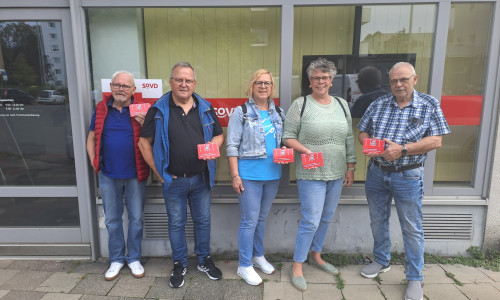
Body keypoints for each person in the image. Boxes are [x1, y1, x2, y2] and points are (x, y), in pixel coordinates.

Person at [357, 62, 450, 300]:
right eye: (394, 81)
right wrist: (368, 145)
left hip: (408, 174)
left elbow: (436, 141)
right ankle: (381, 260)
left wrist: (404, 149)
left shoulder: (429, 104)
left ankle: (415, 279)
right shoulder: (378, 103)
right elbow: (363, 130)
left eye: (403, 80)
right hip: (377, 172)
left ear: (414, 79)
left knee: (411, 227)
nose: (398, 85)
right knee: (377, 220)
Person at [138, 62, 224, 288]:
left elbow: (218, 135)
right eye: (179, 79)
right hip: (173, 180)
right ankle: (179, 263)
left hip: (201, 178)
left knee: (203, 221)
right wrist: (160, 173)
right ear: (171, 82)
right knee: (176, 223)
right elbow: (143, 143)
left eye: (188, 80)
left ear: (194, 83)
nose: (184, 84)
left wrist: (212, 149)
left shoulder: (205, 107)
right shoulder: (157, 110)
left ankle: (204, 259)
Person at [283, 58, 357, 291]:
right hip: (311, 170)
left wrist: (351, 167)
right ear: (310, 80)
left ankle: (317, 255)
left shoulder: (342, 105)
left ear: (332, 80)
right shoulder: (300, 104)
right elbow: (288, 136)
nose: (320, 81)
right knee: (311, 219)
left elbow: (348, 138)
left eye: (325, 77)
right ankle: (297, 264)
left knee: (326, 217)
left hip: (336, 171)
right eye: (316, 77)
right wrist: (306, 150)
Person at [86, 70, 150, 281]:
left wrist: (145, 125)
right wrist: (95, 163)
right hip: (108, 174)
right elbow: (92, 138)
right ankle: (116, 259)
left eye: (125, 86)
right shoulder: (102, 108)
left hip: (135, 174)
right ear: (111, 87)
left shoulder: (142, 110)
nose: (121, 89)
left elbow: (155, 140)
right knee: (112, 219)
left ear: (133, 89)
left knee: (136, 219)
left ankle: (133, 258)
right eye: (117, 85)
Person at [226, 69, 288, 286]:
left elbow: (283, 143)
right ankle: (244, 265)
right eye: (259, 82)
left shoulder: (278, 112)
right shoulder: (240, 112)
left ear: (272, 87)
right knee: (249, 220)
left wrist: (286, 154)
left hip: (272, 176)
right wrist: (235, 175)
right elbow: (232, 146)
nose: (263, 86)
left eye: (267, 83)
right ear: (251, 86)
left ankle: (257, 255)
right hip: (249, 176)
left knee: (261, 219)